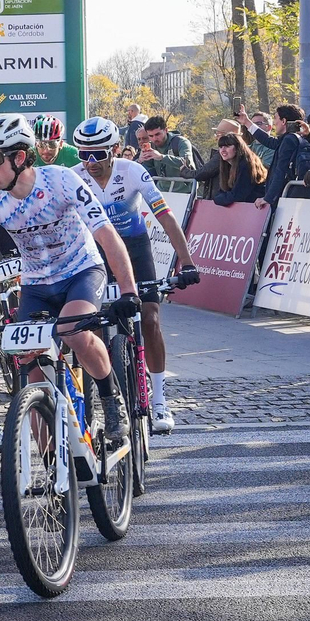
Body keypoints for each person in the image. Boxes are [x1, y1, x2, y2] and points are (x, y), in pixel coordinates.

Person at [0, 114, 139, 450]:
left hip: (81, 271)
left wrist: (129, 291)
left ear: (19, 157)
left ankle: (110, 399)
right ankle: (50, 468)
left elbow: (106, 234)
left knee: (70, 330)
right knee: (29, 367)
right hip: (36, 284)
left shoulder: (60, 180)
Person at [73, 117, 197, 433]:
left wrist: (187, 261)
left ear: (115, 149)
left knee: (151, 319)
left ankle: (158, 402)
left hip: (135, 248)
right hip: (97, 254)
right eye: (82, 154)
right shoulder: (73, 178)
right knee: (95, 327)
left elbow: (165, 216)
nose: (89, 162)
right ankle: (108, 396)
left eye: (97, 154)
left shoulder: (133, 172)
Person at [183, 121, 268, 205]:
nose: (223, 150)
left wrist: (217, 199)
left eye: (227, 146)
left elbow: (237, 195)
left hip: (254, 210)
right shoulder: (228, 164)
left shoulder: (246, 165)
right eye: (220, 147)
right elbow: (224, 190)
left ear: (238, 147)